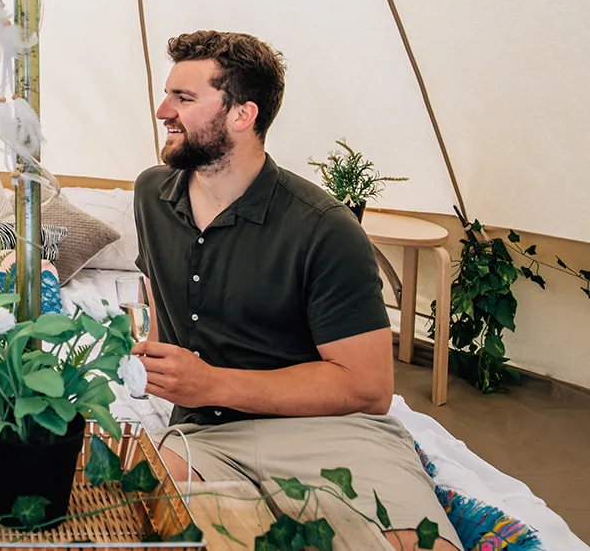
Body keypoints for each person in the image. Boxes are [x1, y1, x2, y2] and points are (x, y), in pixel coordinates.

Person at [132, 31, 461, 551]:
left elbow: (369, 389)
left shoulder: (323, 227)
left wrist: (210, 383)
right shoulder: (151, 194)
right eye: (168, 94)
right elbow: (157, 296)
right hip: (203, 437)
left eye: (184, 98)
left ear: (242, 115)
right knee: (126, 514)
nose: (162, 110)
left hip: (330, 434)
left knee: (414, 546)